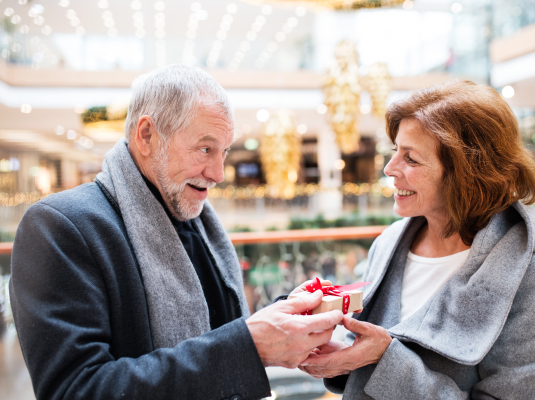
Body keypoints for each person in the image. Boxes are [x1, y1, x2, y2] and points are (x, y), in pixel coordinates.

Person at [9, 64, 343, 400]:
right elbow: (75, 391)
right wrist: (249, 346)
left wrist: (283, 317)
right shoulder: (59, 227)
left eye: (224, 152)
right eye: (205, 148)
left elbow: (217, 330)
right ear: (147, 136)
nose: (218, 173)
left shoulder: (196, 219)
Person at [299, 80, 535, 399]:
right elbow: (370, 353)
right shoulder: (390, 243)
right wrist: (341, 353)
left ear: (467, 173)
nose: (390, 169)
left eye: (411, 159)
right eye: (395, 151)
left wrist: (385, 361)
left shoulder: (529, 276)